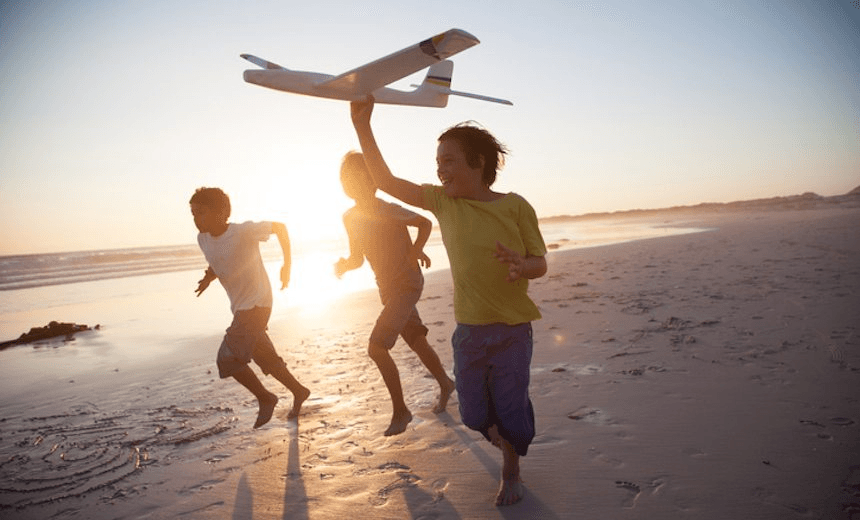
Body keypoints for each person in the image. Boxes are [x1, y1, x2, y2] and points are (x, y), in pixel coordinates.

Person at [350, 99, 547, 506]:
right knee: (474, 414)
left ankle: (511, 468)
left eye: (449, 161)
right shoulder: (444, 202)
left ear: (478, 163)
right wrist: (362, 124)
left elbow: (540, 263)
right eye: (437, 161)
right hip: (470, 332)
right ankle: (500, 431)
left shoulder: (516, 206)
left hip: (512, 331)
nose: (440, 168)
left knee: (510, 405)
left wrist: (521, 265)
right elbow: (384, 180)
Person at [334, 151, 456, 436]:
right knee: (416, 339)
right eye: (347, 179)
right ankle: (446, 383)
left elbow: (424, 223)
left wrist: (416, 250)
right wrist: (343, 265)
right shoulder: (349, 217)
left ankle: (401, 410)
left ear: (373, 179)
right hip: (387, 290)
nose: (353, 183)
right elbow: (357, 258)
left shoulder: (387, 209)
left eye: (360, 177)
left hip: (407, 284)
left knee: (377, 347)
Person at [190, 187, 310, 428]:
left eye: (202, 213)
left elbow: (280, 227)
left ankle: (266, 398)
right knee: (266, 358)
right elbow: (218, 260)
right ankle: (299, 391)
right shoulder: (203, 239)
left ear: (222, 212)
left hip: (257, 303)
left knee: (227, 359)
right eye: (193, 214)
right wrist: (207, 277)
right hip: (241, 307)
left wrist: (287, 265)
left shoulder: (243, 232)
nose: (196, 219)